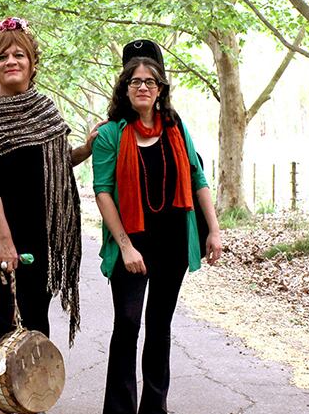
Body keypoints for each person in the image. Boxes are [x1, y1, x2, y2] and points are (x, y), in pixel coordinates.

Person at [0, 17, 97, 413]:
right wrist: (4, 241)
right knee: (5, 320)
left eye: (19, 55)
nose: (12, 61)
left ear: (33, 63)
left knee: (36, 319)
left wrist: (85, 149)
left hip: (41, 235)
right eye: (3, 57)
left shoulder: (44, 110)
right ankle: (4, 404)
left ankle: (30, 403)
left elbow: (55, 165)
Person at [91, 41, 223, 414]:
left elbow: (197, 178)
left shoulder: (176, 128)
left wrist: (214, 230)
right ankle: (119, 409)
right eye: (135, 81)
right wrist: (126, 246)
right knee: (128, 323)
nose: (143, 87)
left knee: (160, 324)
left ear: (160, 88)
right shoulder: (110, 135)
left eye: (150, 81)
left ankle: (155, 407)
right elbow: (102, 192)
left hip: (173, 243)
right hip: (131, 244)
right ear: (125, 89)